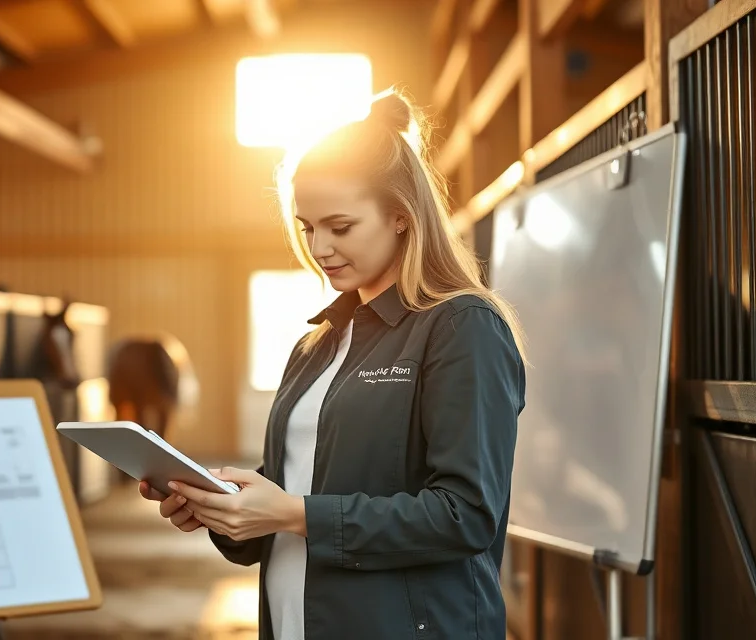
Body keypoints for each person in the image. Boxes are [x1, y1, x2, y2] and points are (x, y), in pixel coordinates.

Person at [138, 88, 529, 639]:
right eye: (307, 227)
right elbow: (300, 488)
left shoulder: (461, 328)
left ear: (401, 216)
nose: (320, 247)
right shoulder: (318, 344)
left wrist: (294, 514)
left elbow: (465, 515)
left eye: (340, 227)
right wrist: (225, 512)